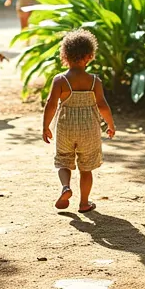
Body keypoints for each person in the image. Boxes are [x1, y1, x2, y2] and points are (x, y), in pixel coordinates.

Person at [42, 29, 115, 213]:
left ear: (64, 55)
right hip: (89, 129)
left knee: (64, 162)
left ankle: (65, 187)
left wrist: (45, 126)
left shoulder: (60, 80)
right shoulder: (94, 81)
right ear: (90, 56)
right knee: (86, 168)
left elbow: (50, 105)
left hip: (66, 128)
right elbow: (103, 105)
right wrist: (110, 125)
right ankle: (84, 203)